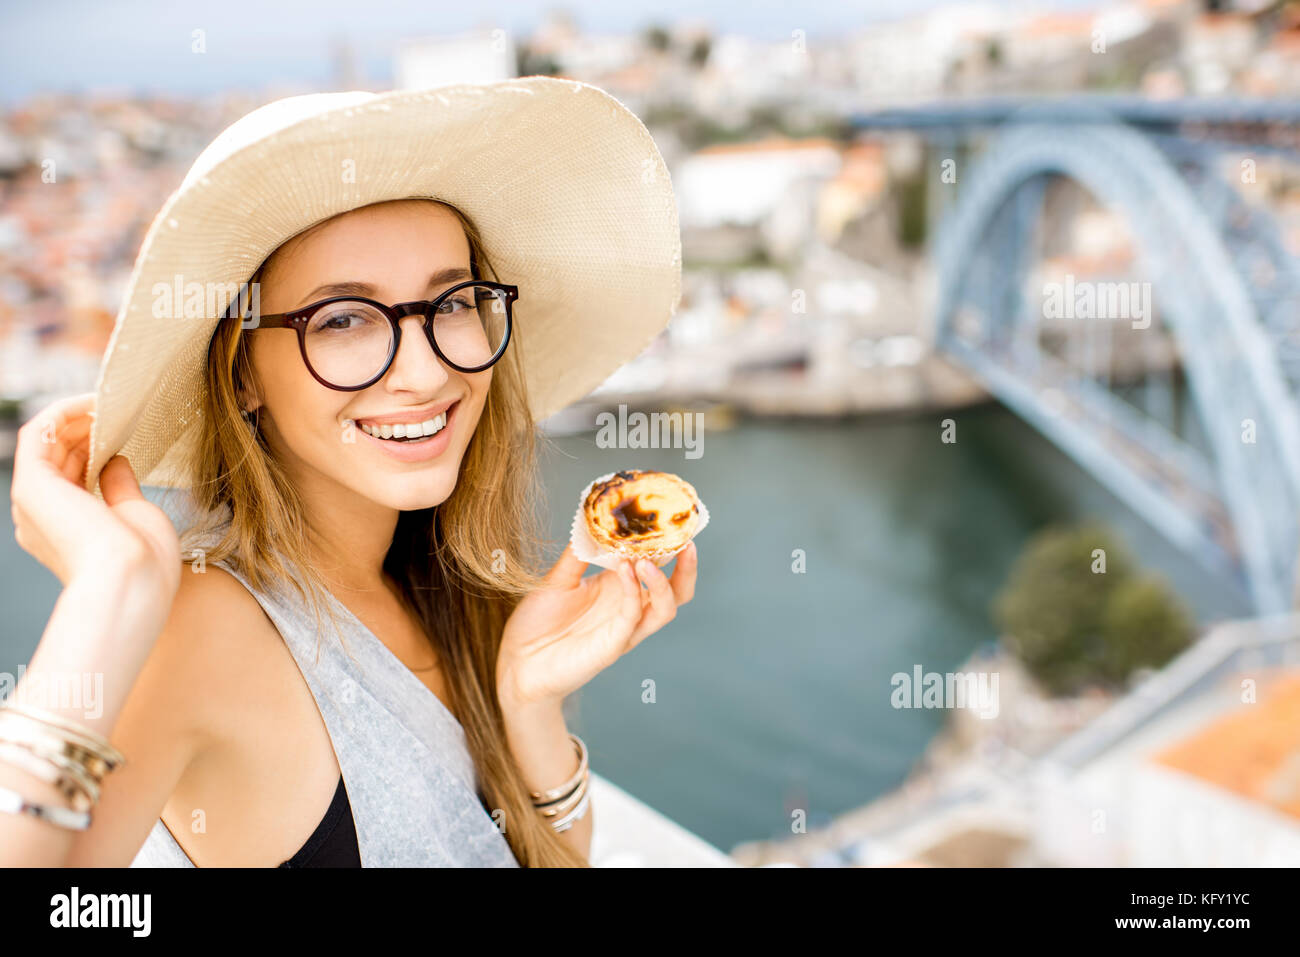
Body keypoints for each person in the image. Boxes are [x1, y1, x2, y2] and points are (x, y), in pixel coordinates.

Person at [1, 78, 691, 867]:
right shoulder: (206, 627)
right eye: (343, 320)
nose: (427, 372)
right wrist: (110, 589)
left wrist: (526, 704)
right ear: (243, 377)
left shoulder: (442, 588)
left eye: (454, 302)